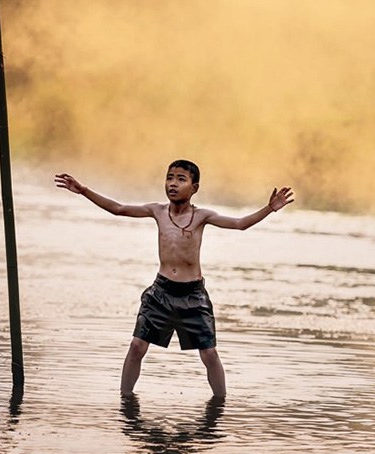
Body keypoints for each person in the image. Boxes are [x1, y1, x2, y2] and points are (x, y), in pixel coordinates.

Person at [55, 160, 294, 398]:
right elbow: (119, 208)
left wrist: (269, 208)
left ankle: (220, 404)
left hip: (193, 295)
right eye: (170, 178)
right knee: (137, 346)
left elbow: (240, 224)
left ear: (194, 187)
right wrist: (84, 191)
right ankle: (125, 400)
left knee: (209, 354)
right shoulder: (157, 211)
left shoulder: (202, 216)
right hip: (161, 292)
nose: (173, 183)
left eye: (181, 179)